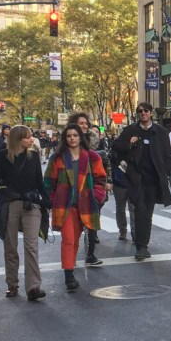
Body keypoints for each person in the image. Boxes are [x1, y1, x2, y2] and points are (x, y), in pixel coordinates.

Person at [0, 125, 48, 301]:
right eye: (28, 137)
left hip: (31, 204)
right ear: (17, 139)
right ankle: (12, 284)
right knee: (10, 246)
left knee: (31, 245)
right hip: (10, 204)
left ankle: (33, 287)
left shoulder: (34, 156)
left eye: (31, 136)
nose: (31, 139)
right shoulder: (2, 156)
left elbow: (39, 181)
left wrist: (46, 200)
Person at [44, 124, 107, 292]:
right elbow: (49, 182)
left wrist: (97, 196)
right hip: (64, 205)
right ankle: (69, 275)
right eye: (69, 136)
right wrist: (49, 203)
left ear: (80, 137)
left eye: (75, 135)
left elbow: (100, 178)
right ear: (65, 139)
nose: (72, 138)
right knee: (68, 240)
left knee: (76, 241)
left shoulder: (91, 157)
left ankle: (70, 268)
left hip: (85, 205)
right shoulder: (57, 157)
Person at [112, 102, 171, 261]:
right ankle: (141, 246)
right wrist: (129, 143)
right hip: (136, 178)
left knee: (147, 213)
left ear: (151, 113)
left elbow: (167, 154)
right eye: (140, 111)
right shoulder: (130, 130)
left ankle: (143, 245)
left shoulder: (160, 132)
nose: (143, 113)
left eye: (146, 111)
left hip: (153, 179)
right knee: (139, 210)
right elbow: (116, 147)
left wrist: (167, 173)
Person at [70, 112, 109, 267]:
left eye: (86, 123)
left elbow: (105, 161)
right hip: (74, 187)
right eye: (81, 123)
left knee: (92, 221)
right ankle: (70, 256)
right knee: (73, 227)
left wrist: (101, 190)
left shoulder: (95, 138)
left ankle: (90, 254)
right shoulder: (69, 139)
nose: (84, 126)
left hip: (92, 185)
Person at [111, 147, 134, 242]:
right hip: (119, 183)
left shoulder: (135, 148)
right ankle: (122, 230)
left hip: (132, 183)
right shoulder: (115, 150)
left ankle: (134, 232)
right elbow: (111, 164)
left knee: (132, 208)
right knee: (120, 208)